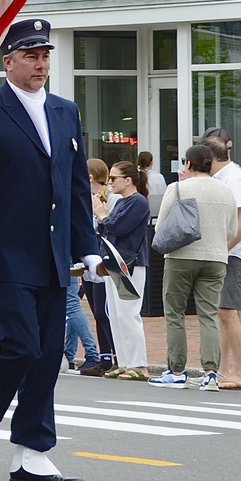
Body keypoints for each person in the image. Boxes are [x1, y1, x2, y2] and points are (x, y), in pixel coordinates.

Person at [0, 19, 101, 481]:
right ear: (7, 61)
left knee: (48, 355)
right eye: (30, 55)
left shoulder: (65, 111)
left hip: (53, 255)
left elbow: (75, 188)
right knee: (21, 345)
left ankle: (32, 455)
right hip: (3, 255)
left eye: (45, 55)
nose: (40, 64)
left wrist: (87, 248)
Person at [150, 144, 237, 390]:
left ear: (188, 164)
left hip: (181, 256)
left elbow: (161, 227)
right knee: (208, 314)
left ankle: (177, 369)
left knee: (175, 314)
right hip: (216, 257)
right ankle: (211, 371)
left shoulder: (177, 188)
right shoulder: (226, 191)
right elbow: (231, 230)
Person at [202, 135, 241, 390]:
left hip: (236, 255)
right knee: (233, 311)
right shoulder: (225, 177)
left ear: (212, 159)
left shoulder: (233, 179)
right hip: (235, 254)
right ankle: (227, 369)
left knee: (226, 311)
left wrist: (221, 250)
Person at [99, 162, 150, 381]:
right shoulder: (122, 202)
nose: (110, 183)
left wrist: (102, 215)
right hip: (116, 262)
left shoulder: (138, 201)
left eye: (113, 178)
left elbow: (117, 227)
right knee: (116, 314)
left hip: (130, 263)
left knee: (129, 313)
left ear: (128, 180)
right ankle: (125, 361)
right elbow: (108, 228)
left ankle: (139, 363)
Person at [83, 158, 115, 371]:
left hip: (103, 256)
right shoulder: (86, 197)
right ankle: (104, 358)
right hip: (89, 256)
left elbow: (109, 227)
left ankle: (117, 355)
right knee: (96, 310)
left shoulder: (108, 198)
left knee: (104, 310)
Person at [62, 276, 101, 374]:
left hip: (61, 266)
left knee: (71, 306)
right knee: (71, 306)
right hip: (68, 266)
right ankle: (69, 357)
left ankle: (92, 354)